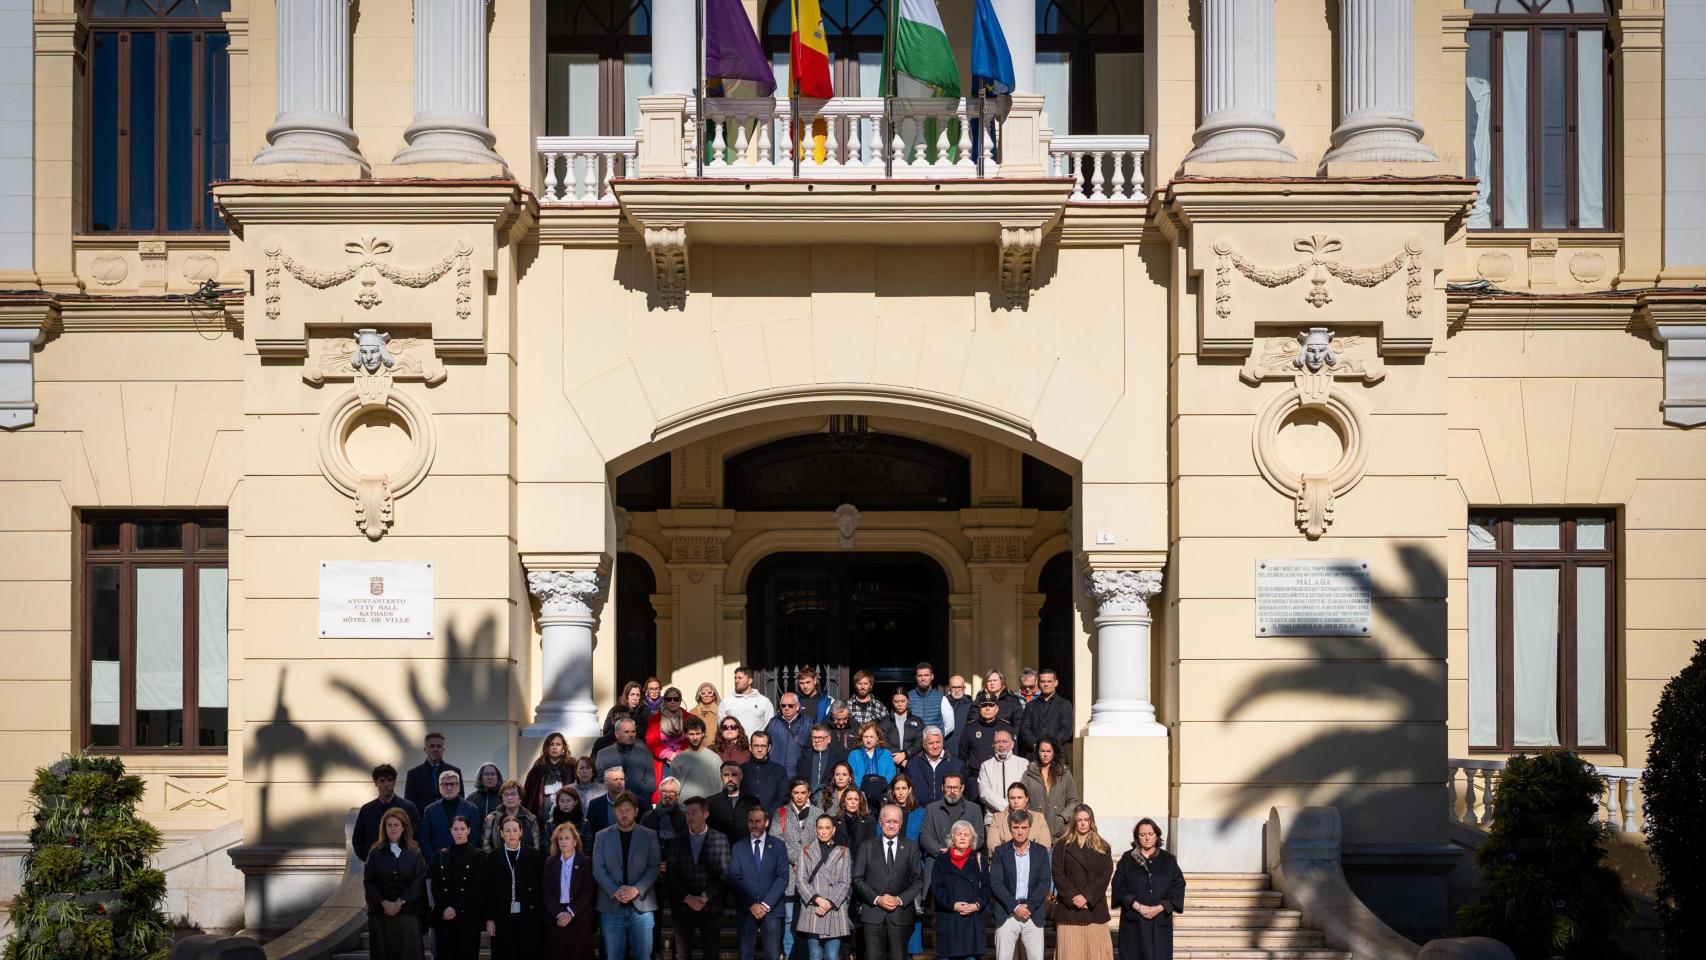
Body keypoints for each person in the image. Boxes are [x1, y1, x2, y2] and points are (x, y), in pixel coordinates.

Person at [593, 791, 662, 960]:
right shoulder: (601, 836)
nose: (624, 814)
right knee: (613, 956)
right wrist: (615, 891)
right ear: (614, 811)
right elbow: (598, 869)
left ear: (636, 811)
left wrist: (635, 890)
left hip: (642, 908)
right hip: (611, 907)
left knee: (643, 956)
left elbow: (654, 868)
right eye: (620, 811)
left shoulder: (649, 835)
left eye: (628, 810)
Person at [851, 803, 922, 960]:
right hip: (873, 912)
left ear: (901, 824)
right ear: (880, 822)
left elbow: (918, 880)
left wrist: (899, 899)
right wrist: (877, 898)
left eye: (895, 821)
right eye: (887, 821)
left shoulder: (911, 847)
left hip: (901, 914)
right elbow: (857, 878)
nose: (891, 825)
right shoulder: (866, 846)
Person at [1112, 818, 1186, 960]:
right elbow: (1118, 886)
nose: (1147, 838)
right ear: (1137, 837)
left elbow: (1178, 886)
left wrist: (1159, 907)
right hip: (1134, 921)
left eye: (1151, 834)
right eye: (1142, 834)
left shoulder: (1168, 860)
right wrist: (1138, 907)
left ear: (1156, 835)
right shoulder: (1128, 859)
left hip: (1159, 921)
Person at [669, 796, 730, 960]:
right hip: (683, 907)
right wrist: (687, 898)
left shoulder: (720, 839)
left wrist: (705, 897)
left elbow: (724, 874)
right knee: (681, 955)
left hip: (710, 907)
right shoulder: (677, 840)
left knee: (711, 954)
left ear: (705, 814)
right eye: (687, 813)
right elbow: (672, 874)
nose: (690, 817)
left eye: (694, 813)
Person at [1053, 804, 1115, 960]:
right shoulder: (1061, 845)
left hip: (1094, 909)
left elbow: (1105, 875)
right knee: (1070, 954)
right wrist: (1074, 897)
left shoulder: (1102, 846)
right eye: (1079, 820)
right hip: (1069, 910)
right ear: (1073, 821)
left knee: (1095, 953)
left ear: (1091, 821)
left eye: (1086, 820)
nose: (1083, 823)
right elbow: (1058, 874)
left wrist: (1087, 897)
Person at [364, 807, 427, 960]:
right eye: (389, 825)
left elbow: (419, 881)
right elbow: (369, 881)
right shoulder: (375, 852)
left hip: (408, 914)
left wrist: (400, 902)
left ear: (404, 827)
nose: (392, 828)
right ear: (384, 828)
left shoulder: (415, 852)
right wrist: (384, 903)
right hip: (381, 915)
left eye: (396, 825)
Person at [773, 779, 826, 959]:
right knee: (789, 919)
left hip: (812, 874)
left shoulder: (818, 813)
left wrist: (805, 862)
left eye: (803, 792)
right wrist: (796, 859)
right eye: (796, 793)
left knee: (810, 918)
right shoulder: (781, 813)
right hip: (789, 873)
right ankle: (789, 955)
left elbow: (822, 839)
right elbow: (776, 840)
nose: (800, 796)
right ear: (791, 793)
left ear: (809, 793)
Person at [481, 815, 545, 960]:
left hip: (528, 917)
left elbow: (540, 889)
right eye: (507, 831)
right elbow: (488, 890)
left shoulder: (533, 855)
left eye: (515, 830)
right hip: (502, 917)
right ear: (501, 833)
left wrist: (540, 918)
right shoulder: (493, 857)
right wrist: (489, 918)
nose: (511, 834)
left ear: (521, 832)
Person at [730, 805, 790, 960]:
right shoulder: (738, 847)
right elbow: (735, 878)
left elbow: (782, 877)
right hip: (747, 910)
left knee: (772, 955)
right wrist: (751, 904)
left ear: (766, 822)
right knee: (746, 955)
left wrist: (765, 905)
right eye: (750, 821)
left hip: (771, 910)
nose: (754, 825)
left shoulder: (778, 846)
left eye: (758, 821)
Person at [990, 809, 1050, 960]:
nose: (1020, 832)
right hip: (1007, 913)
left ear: (1029, 827)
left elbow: (1044, 882)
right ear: (1010, 828)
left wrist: (1029, 907)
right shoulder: (1000, 852)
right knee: (1003, 957)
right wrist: (1015, 907)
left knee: (1036, 957)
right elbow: (996, 883)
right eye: (1016, 827)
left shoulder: (1041, 852)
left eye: (1024, 827)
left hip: (1033, 913)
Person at [929, 821, 991, 960]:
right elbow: (936, 888)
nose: (962, 837)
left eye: (966, 835)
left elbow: (987, 888)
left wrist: (977, 905)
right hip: (949, 921)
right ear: (952, 837)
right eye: (959, 834)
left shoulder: (979, 859)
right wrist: (952, 905)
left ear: (972, 839)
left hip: (972, 922)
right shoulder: (941, 860)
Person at [795, 813, 852, 960]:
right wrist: (818, 899)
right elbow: (800, 880)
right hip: (813, 908)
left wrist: (829, 903)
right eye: (820, 828)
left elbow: (845, 882)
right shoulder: (806, 850)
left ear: (833, 830)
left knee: (832, 956)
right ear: (815, 830)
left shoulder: (843, 851)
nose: (824, 831)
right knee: (814, 956)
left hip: (834, 909)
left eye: (827, 828)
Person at [919, 772, 983, 898]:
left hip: (966, 863)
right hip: (938, 861)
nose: (952, 791)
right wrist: (943, 852)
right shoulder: (931, 809)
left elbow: (979, 837)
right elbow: (925, 837)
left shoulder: (974, 809)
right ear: (942, 787)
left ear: (962, 788)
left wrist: (961, 852)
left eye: (955, 788)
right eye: (948, 787)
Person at [428, 815, 483, 960]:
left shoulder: (479, 855)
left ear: (469, 830)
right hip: (445, 916)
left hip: (468, 917)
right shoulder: (441, 854)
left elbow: (477, 887)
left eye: (463, 829)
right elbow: (436, 885)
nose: (459, 832)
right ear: (450, 831)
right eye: (455, 829)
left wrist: (455, 908)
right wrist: (445, 908)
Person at [885, 774, 928, 954]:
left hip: (913, 868)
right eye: (897, 789)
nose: (901, 792)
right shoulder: (886, 811)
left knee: (913, 913)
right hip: (890, 868)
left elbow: (924, 840)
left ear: (910, 789)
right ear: (893, 791)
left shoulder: (921, 812)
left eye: (904, 788)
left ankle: (911, 952)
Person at [543, 821, 597, 960]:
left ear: (575, 842)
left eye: (567, 838)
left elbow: (588, 892)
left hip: (580, 918)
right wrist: (560, 913)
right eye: (560, 839)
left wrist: (570, 913)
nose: (563, 841)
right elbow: (546, 892)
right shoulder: (550, 862)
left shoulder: (585, 862)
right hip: (556, 918)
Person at [958, 694, 1017, 805]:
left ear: (997, 708)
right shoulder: (970, 729)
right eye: (984, 706)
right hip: (975, 779)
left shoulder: (1006, 728)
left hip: (1000, 777)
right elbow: (963, 756)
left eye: (991, 705)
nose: (987, 708)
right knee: (975, 810)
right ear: (979, 708)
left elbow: (1014, 754)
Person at [354, 764, 421, 862]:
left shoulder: (408, 807)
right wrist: (368, 857)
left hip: (403, 864)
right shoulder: (366, 810)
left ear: (394, 782)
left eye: (389, 780)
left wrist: (408, 858)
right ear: (375, 782)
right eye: (382, 780)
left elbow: (417, 836)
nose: (386, 784)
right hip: (375, 865)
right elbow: (357, 839)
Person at [1023, 736, 1080, 840]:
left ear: (1054, 752)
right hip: (1035, 832)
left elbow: (1073, 801)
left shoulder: (1064, 773)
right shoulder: (1028, 774)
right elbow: (1022, 800)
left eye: (1048, 751)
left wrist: (1062, 817)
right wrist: (1031, 818)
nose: (1045, 754)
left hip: (1060, 833)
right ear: (1037, 752)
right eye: (1042, 751)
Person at [420, 768, 479, 867]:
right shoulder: (430, 810)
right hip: (437, 864)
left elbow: (474, 838)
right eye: (445, 784)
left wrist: (465, 859)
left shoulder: (472, 809)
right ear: (439, 787)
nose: (449, 787)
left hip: (464, 864)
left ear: (459, 786)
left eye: (452, 784)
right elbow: (424, 840)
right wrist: (435, 861)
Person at [597, 718, 659, 803]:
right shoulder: (603, 754)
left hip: (639, 803)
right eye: (626, 732)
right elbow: (599, 782)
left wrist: (636, 801)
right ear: (617, 734)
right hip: (611, 803)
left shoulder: (645, 754)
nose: (631, 735)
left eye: (633, 731)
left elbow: (651, 784)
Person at [644, 687, 689, 802]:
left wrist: (678, 755)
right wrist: (669, 754)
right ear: (664, 701)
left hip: (683, 761)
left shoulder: (689, 718)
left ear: (680, 700)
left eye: (676, 699)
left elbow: (691, 739)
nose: (672, 701)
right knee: (664, 794)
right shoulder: (655, 719)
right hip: (663, 763)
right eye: (669, 699)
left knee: (682, 794)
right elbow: (651, 740)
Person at [1017, 668, 1074, 758]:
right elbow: (1024, 728)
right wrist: (1036, 745)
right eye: (1043, 681)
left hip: (1057, 754)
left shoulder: (1065, 704)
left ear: (1056, 683)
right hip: (1034, 754)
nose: (1046, 684)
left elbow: (1066, 730)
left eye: (1049, 681)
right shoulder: (1030, 705)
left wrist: (1050, 746)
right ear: (1038, 683)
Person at [904, 727, 965, 808]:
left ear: (942, 743)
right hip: (920, 809)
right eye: (931, 743)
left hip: (949, 809)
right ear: (924, 744)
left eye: (938, 742)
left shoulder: (957, 764)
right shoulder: (912, 764)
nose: (935, 746)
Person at [986, 782, 1053, 851]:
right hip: (1004, 857)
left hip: (1034, 857)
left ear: (1027, 798)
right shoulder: (997, 818)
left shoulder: (1039, 818)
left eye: (1019, 797)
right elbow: (993, 846)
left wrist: (1027, 855)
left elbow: (1045, 846)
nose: (1016, 801)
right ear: (1008, 799)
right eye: (1012, 798)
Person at [671, 716, 724, 803]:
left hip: (709, 807)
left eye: (698, 733)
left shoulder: (715, 759)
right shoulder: (678, 759)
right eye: (691, 734)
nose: (695, 737)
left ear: (703, 734)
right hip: (685, 807)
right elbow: (674, 788)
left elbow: (721, 786)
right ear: (686, 735)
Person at [404, 732, 461, 813]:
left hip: (450, 819)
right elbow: (409, 806)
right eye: (431, 746)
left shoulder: (455, 772)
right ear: (425, 750)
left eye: (439, 746)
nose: (435, 749)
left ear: (443, 750)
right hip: (423, 819)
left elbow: (461, 801)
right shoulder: (413, 774)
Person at [976, 730, 1025, 820]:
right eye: (997, 742)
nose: (1001, 745)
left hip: (1018, 817)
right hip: (993, 818)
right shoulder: (986, 766)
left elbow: (1026, 790)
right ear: (993, 745)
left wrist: (1015, 806)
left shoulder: (1023, 764)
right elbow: (984, 792)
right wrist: (1006, 806)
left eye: (1005, 742)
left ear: (1012, 744)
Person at [708, 761, 762, 842]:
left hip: (745, 847)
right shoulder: (710, 803)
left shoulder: (752, 801)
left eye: (734, 775)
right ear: (721, 777)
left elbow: (758, 829)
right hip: (719, 848)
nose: (730, 779)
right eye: (726, 775)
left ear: (741, 776)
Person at [481, 779, 542, 851]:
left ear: (520, 798)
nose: (509, 797)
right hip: (498, 857)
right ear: (502, 798)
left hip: (525, 857)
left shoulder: (530, 818)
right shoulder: (492, 818)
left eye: (513, 794)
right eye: (506, 795)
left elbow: (536, 844)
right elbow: (486, 843)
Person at [524, 732, 575, 816]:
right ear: (547, 747)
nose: (554, 747)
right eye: (551, 744)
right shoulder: (538, 767)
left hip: (566, 810)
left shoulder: (571, 766)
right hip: (542, 812)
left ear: (563, 747)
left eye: (558, 744)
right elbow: (528, 792)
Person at [764, 692, 812, 781]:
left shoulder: (808, 723)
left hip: (799, 775)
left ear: (797, 707)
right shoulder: (772, 723)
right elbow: (765, 745)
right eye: (783, 706)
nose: (786, 708)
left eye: (790, 706)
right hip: (776, 774)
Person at [848, 721, 897, 808]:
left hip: (883, 794)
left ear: (877, 737)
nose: (868, 740)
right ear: (861, 738)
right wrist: (865, 790)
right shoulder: (854, 755)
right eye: (865, 737)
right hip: (861, 795)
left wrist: (880, 788)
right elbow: (853, 776)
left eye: (871, 736)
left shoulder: (886, 754)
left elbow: (891, 774)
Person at [741, 729, 790, 813]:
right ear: (750, 747)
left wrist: (767, 815)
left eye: (763, 746)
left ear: (769, 747)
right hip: (746, 817)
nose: (759, 749)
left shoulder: (779, 771)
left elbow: (782, 798)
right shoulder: (742, 769)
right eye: (756, 746)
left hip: (772, 817)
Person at [720, 665, 776, 737]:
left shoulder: (764, 702)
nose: (736, 681)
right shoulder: (726, 702)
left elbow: (769, 725)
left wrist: (758, 740)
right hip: (733, 744)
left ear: (750, 681)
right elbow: (721, 726)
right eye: (735, 678)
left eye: (740, 678)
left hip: (756, 744)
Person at [799, 723, 849, 795]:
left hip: (830, 797)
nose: (816, 740)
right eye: (814, 737)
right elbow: (799, 781)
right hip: (809, 798)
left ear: (829, 739)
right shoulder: (803, 757)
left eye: (820, 738)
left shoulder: (839, 758)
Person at [543, 785, 589, 854]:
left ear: (575, 802)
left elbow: (587, 848)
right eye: (562, 801)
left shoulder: (584, 823)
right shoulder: (550, 824)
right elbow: (547, 847)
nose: (565, 804)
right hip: (555, 859)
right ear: (558, 802)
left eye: (568, 801)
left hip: (579, 859)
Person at [885, 687, 925, 762]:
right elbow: (883, 742)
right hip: (891, 760)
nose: (900, 704)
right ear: (892, 702)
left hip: (912, 761)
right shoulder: (885, 722)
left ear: (908, 701)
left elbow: (919, 742)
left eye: (903, 701)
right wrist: (898, 757)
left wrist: (906, 754)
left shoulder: (918, 721)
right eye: (896, 701)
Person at [834, 787, 876, 858]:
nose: (853, 802)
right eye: (849, 799)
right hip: (840, 862)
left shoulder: (869, 822)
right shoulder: (834, 822)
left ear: (859, 803)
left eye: (856, 799)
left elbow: (872, 848)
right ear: (844, 802)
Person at [906, 662, 945, 731]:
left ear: (932, 676)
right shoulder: (907, 697)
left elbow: (949, 725)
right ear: (916, 677)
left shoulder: (941, 698)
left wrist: (939, 735)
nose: (923, 678)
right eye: (920, 676)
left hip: (934, 738)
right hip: (914, 738)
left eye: (926, 675)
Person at [941, 675, 974, 755]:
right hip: (946, 751)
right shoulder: (942, 704)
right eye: (953, 687)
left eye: (959, 687)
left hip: (965, 751)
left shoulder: (972, 706)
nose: (956, 690)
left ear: (964, 688)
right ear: (949, 688)